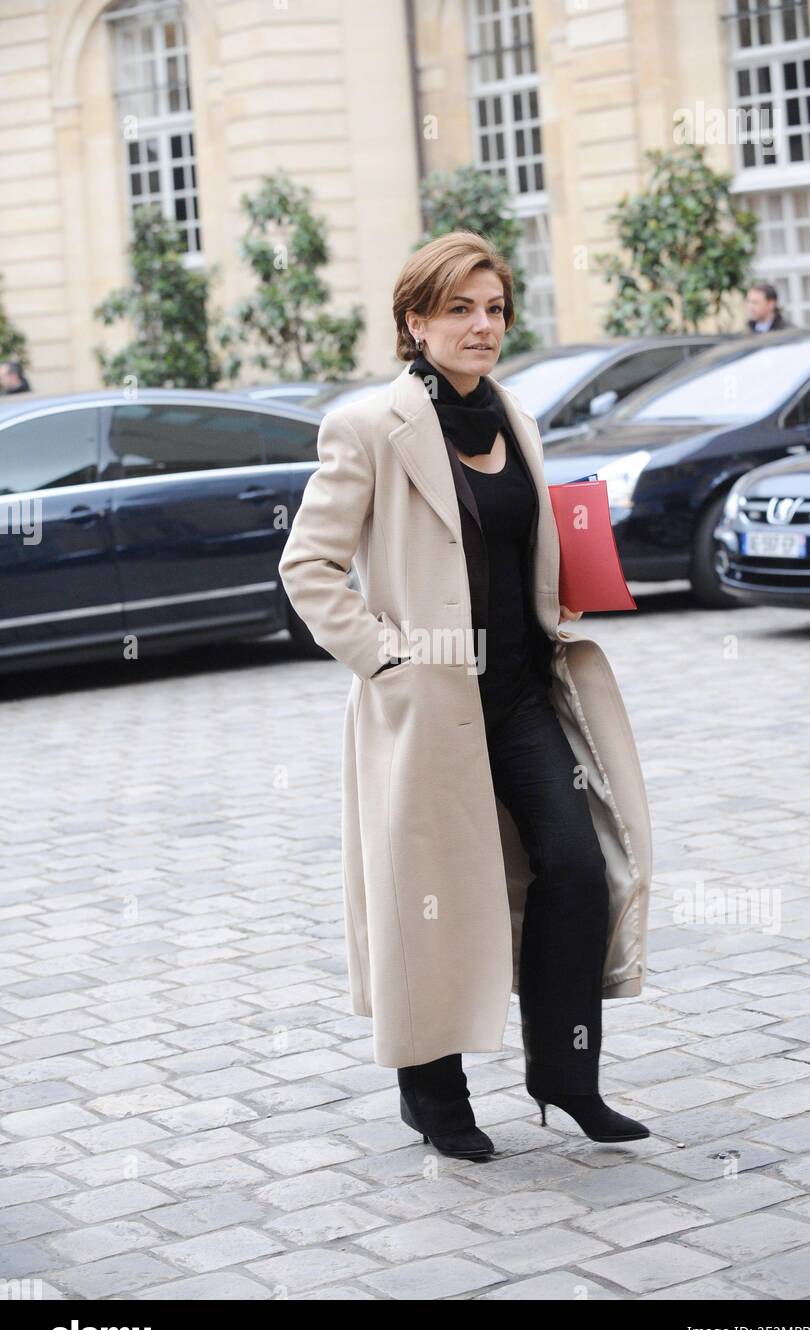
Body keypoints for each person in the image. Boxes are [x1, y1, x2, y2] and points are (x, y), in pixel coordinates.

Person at [278, 231, 651, 1162]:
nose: (482, 327)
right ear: (415, 322)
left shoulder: (514, 414)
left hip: (522, 691)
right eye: (459, 310)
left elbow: (515, 541)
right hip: (426, 701)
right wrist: (387, 662)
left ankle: (565, 1077)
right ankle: (434, 1098)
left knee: (576, 867)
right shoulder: (368, 427)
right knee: (433, 897)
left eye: (494, 309)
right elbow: (309, 567)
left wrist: (557, 585)